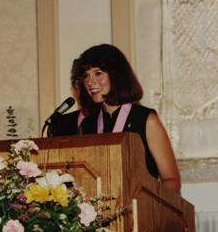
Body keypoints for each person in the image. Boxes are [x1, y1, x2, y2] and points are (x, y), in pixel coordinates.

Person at [71, 44, 181, 192]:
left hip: (141, 209)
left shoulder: (146, 119)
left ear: (117, 75)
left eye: (98, 73)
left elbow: (171, 180)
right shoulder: (87, 125)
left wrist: (141, 203)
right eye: (85, 75)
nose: (90, 82)